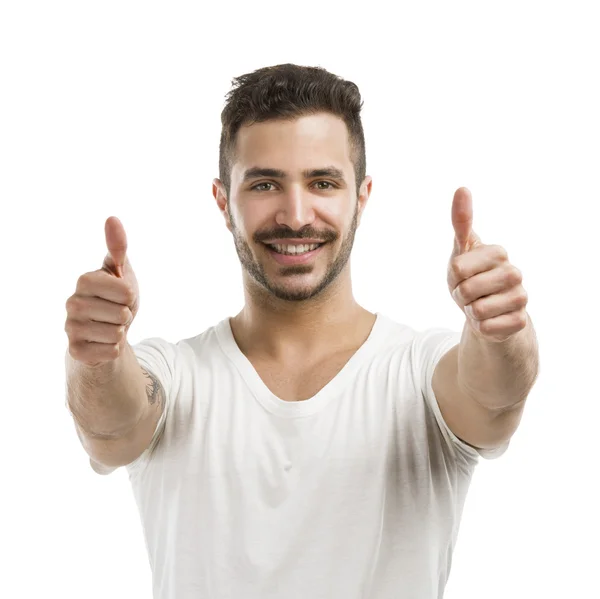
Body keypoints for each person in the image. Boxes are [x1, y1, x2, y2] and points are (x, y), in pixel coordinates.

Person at [64, 63, 539, 599]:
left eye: (323, 182)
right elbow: (110, 426)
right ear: (224, 202)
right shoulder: (177, 377)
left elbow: (494, 397)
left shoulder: (418, 371)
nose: (295, 215)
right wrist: (97, 355)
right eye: (265, 183)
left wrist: (501, 332)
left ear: (361, 196)